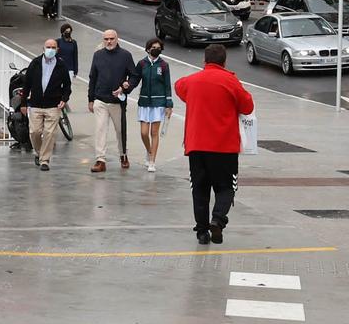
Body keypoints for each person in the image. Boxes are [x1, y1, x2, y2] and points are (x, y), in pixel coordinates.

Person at [173, 45, 255, 245]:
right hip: (224, 146)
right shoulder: (231, 81)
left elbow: (178, 86)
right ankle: (218, 219)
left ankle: (202, 232)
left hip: (196, 145)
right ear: (224, 62)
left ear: (204, 61)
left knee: (199, 189)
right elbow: (248, 106)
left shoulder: (191, 81)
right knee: (226, 188)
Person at [87, 30, 137, 173]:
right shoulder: (98, 55)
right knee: (100, 130)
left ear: (117, 39)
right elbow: (93, 77)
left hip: (117, 102)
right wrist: (91, 99)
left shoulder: (125, 56)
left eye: (111, 39)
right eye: (106, 39)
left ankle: (123, 155)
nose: (109, 41)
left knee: (120, 130)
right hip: (100, 100)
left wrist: (125, 87)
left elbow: (134, 76)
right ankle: (100, 160)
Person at [19, 38, 72, 170]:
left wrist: (64, 99)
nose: (50, 50)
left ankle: (44, 160)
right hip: (36, 104)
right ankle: (39, 153)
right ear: (43, 48)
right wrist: (23, 103)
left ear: (57, 50)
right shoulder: (35, 63)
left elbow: (67, 85)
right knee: (35, 132)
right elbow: (27, 85)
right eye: (48, 47)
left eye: (53, 47)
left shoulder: (61, 65)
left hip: (53, 105)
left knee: (50, 133)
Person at [134, 39, 174, 173]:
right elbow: (135, 79)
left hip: (158, 103)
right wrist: (125, 87)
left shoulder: (164, 65)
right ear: (147, 49)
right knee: (144, 132)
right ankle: (149, 151)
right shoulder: (141, 64)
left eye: (158, 47)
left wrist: (169, 104)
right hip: (144, 102)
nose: (156, 49)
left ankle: (152, 161)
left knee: (154, 133)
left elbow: (167, 86)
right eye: (153, 47)